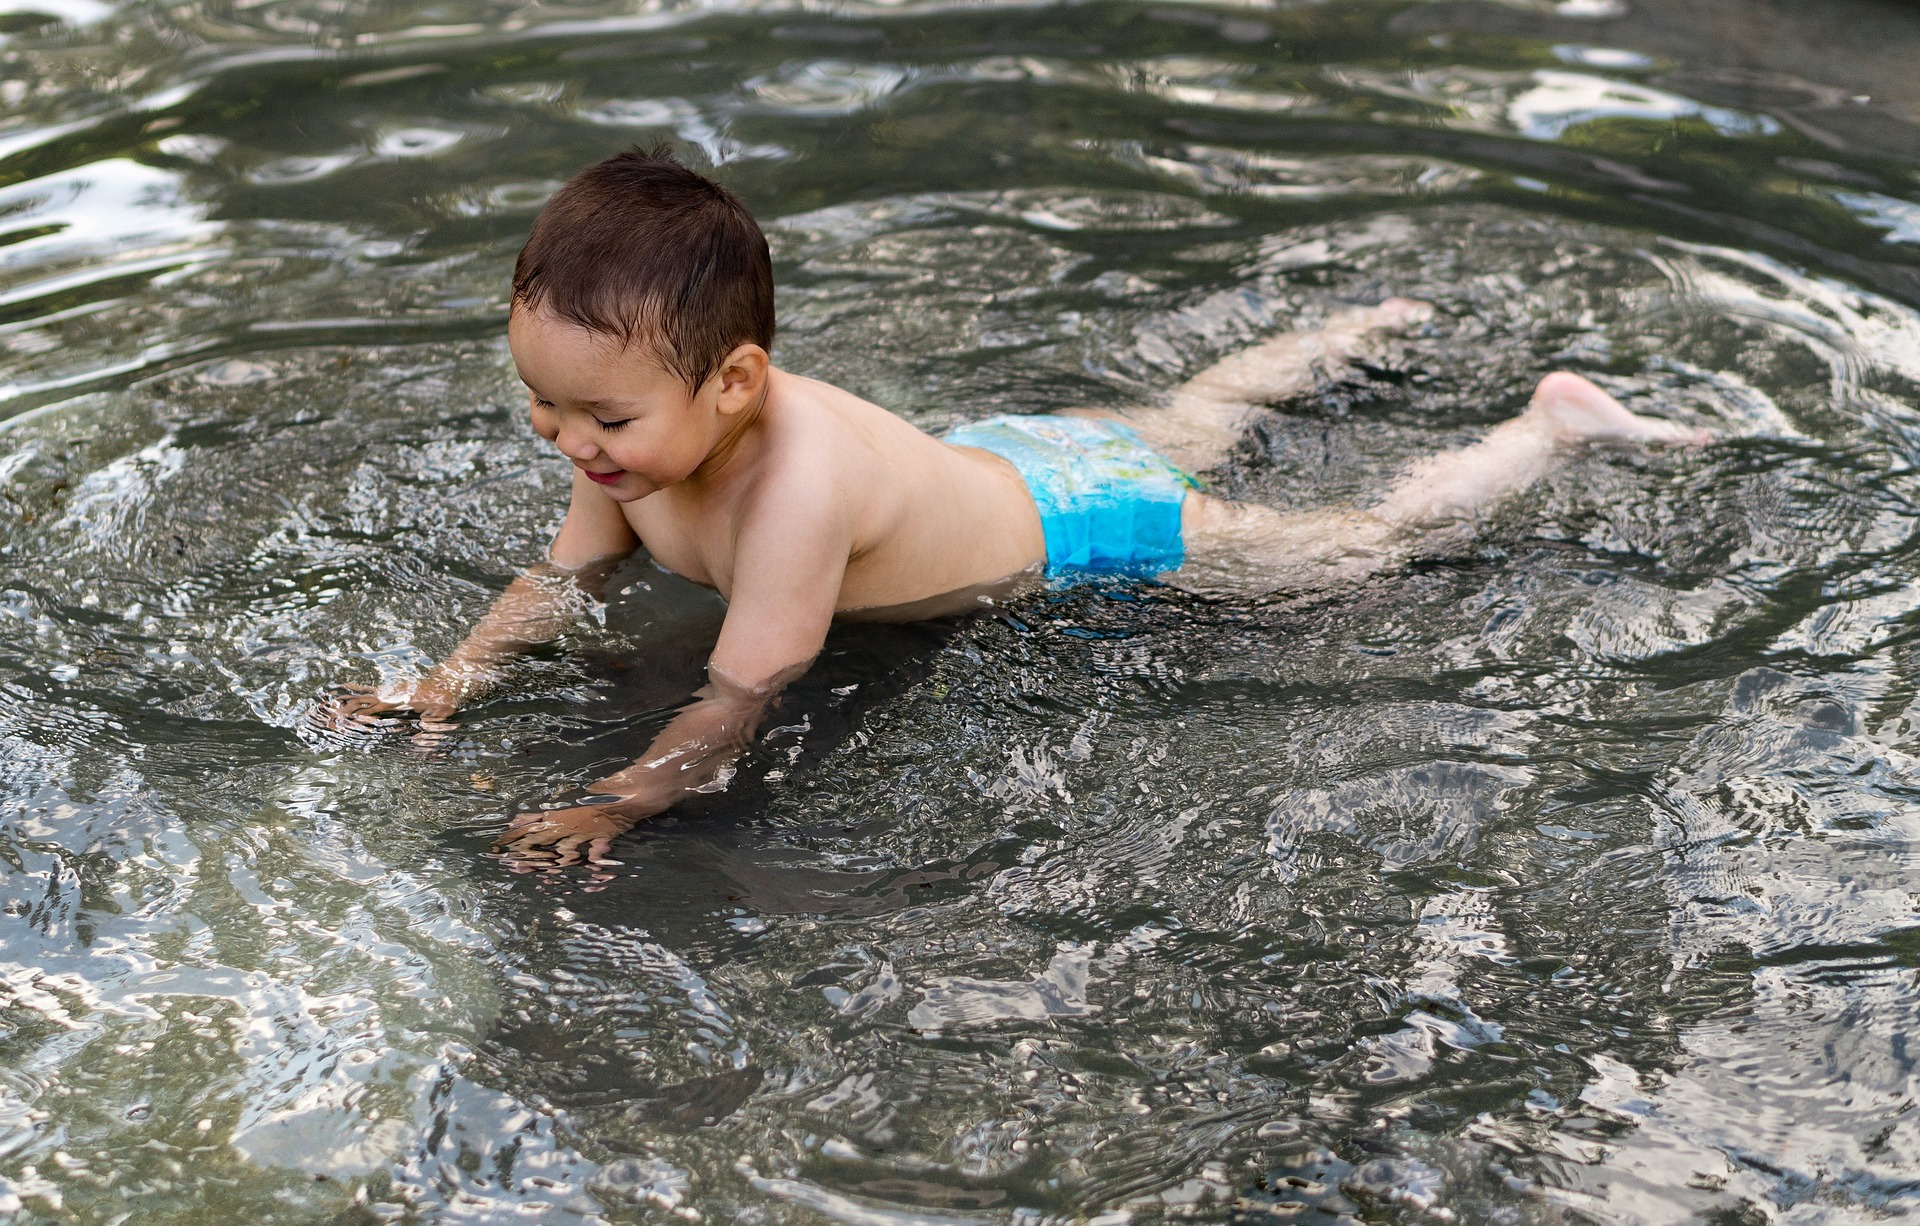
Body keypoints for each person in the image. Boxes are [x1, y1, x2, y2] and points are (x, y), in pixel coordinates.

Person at [325, 146, 1709, 867]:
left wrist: (617, 804)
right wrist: (447, 679)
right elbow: (559, 585)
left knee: (1359, 548)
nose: (567, 442)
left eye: (602, 418)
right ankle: (1343, 340)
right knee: (1190, 421)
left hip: (1084, 527)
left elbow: (744, 695)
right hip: (1001, 455)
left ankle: (1543, 429)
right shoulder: (625, 456)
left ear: (739, 383)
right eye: (544, 404)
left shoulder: (795, 489)